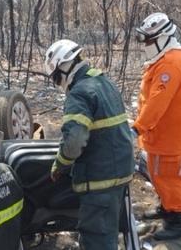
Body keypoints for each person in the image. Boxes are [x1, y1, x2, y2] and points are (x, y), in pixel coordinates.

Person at [44, 39, 135, 250]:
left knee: (97, 239)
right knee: (107, 232)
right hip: (120, 173)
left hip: (101, 180)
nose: (59, 84)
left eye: (57, 78)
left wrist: (60, 164)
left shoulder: (79, 93)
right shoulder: (104, 82)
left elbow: (74, 142)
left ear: (64, 67)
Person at [132, 12, 181, 240]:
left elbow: (157, 102)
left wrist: (137, 127)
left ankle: (177, 222)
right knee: (159, 175)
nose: (146, 45)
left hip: (168, 135)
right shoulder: (164, 60)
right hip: (161, 134)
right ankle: (167, 209)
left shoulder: (172, 63)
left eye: (149, 40)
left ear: (163, 37)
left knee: (169, 178)